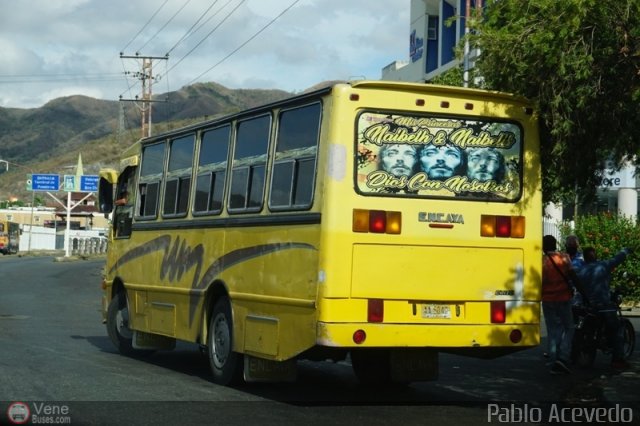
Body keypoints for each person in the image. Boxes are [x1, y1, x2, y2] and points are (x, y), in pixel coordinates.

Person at [577, 246, 631, 370]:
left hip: (586, 307)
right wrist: (626, 250)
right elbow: (618, 258)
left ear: (584, 258)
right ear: (595, 256)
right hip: (603, 305)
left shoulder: (580, 270)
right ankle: (617, 360)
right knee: (617, 329)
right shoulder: (603, 265)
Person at [542, 235, 579, 375]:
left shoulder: (541, 261)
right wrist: (584, 294)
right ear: (555, 244)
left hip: (547, 300)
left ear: (544, 247)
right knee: (569, 327)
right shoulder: (564, 258)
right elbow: (573, 277)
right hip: (563, 298)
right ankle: (563, 357)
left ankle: (553, 361)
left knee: (552, 330)